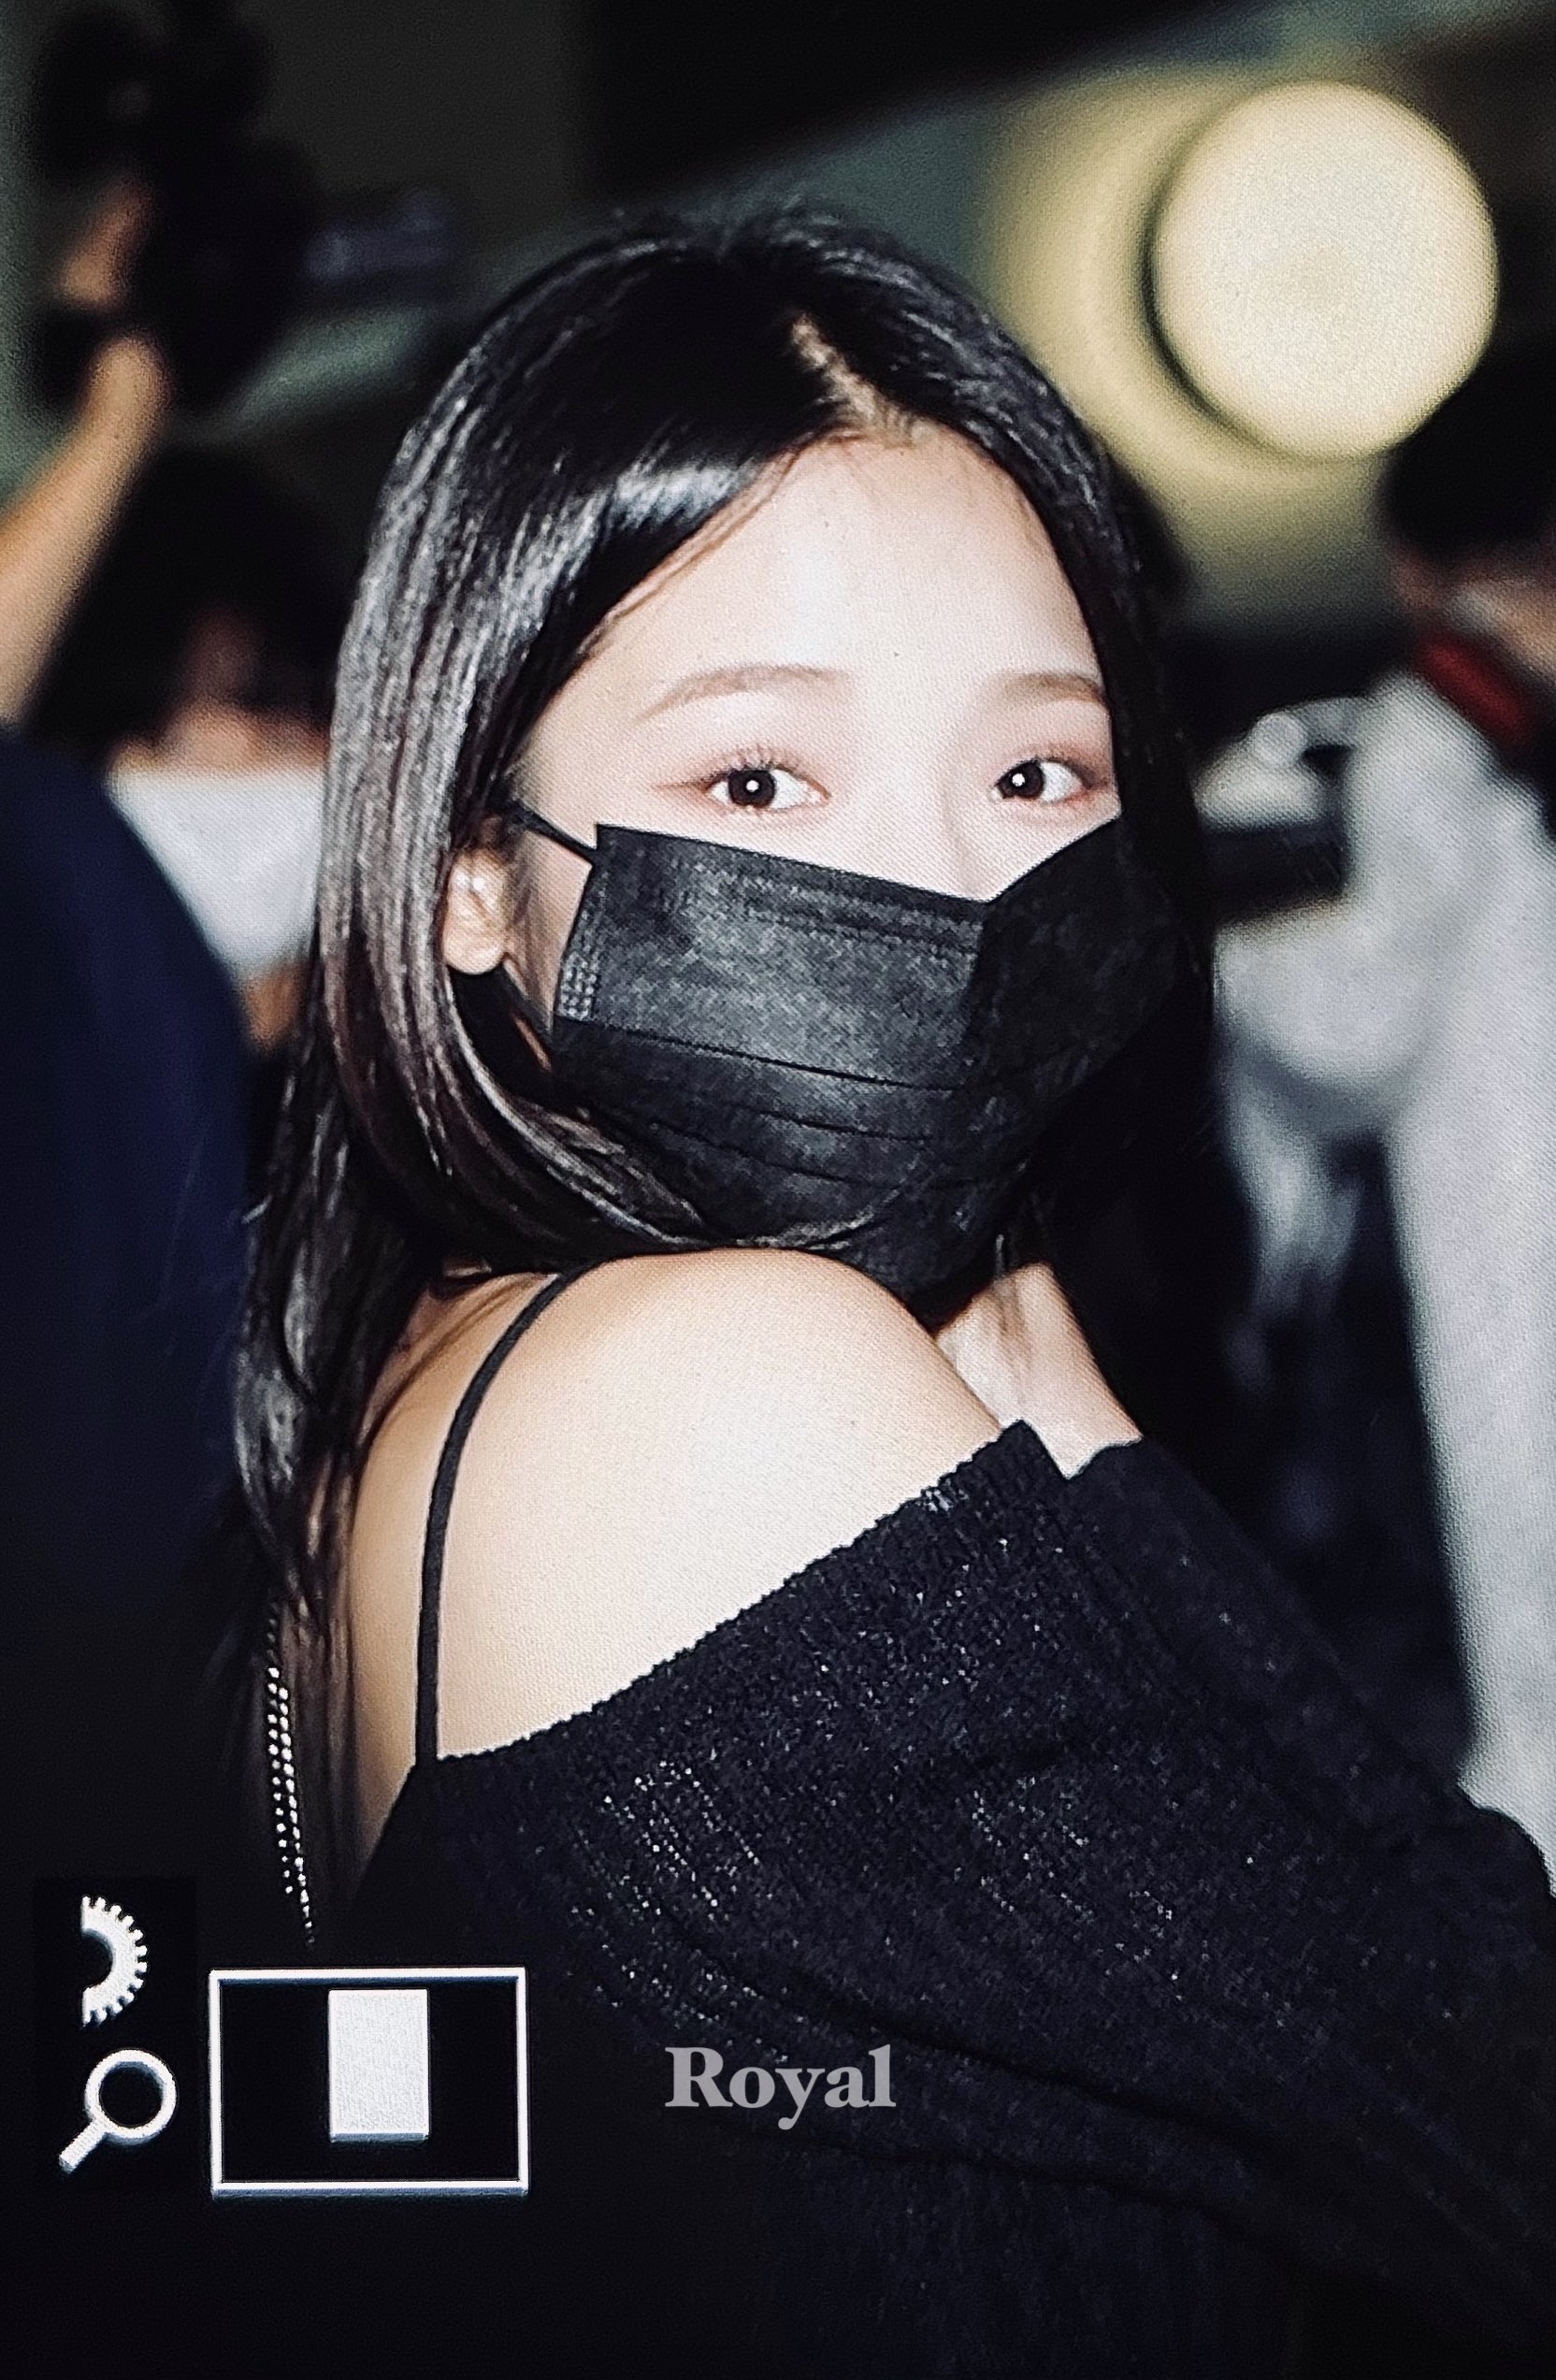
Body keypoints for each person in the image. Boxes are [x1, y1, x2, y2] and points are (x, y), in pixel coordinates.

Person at [232, 213, 1555, 2376]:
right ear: (471, 871)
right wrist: (1062, 1397)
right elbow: (1489, 2132)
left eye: (1035, 776)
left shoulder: (428, 1380)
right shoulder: (730, 1384)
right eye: (757, 779)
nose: (945, 886)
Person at [1203, 338, 1556, 1871]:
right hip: (1401, 1445)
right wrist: (1442, 744)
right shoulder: (1306, 784)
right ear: (1429, 574)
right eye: (1525, 574)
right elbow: (1338, 1043)